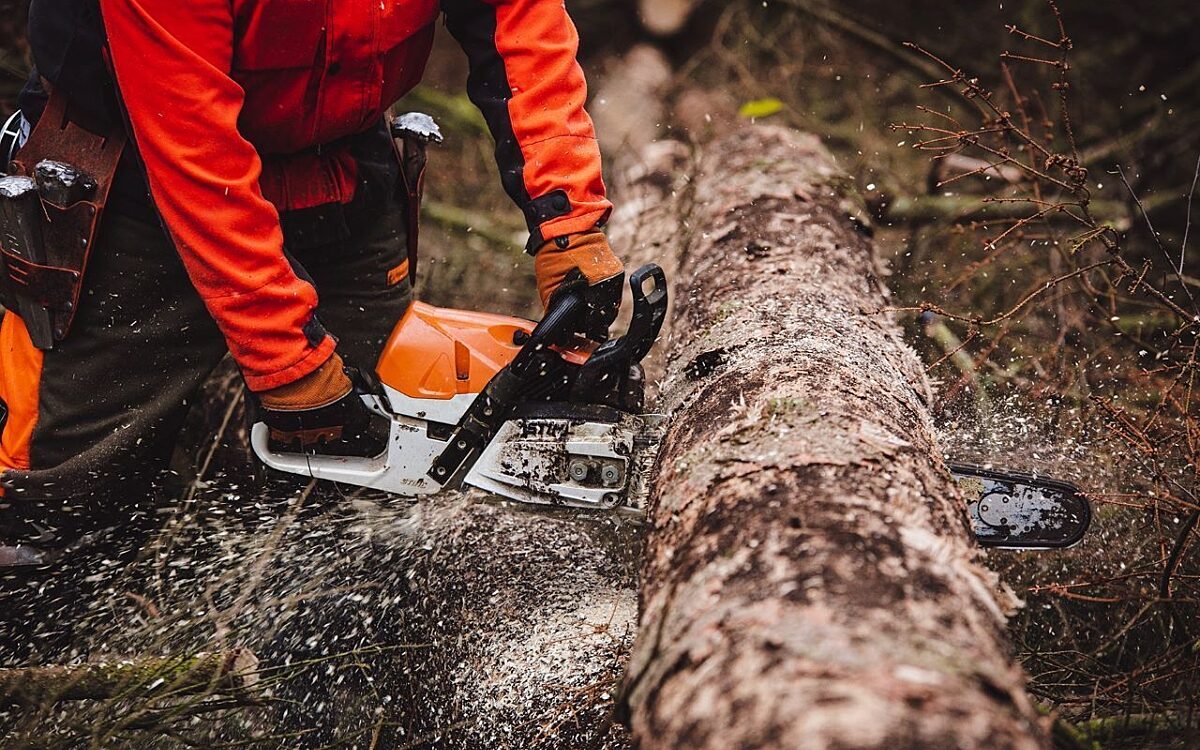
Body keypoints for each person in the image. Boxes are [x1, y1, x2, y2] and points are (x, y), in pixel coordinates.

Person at [0, 0, 624, 567]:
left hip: (340, 156)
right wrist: (286, 361)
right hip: (134, 169)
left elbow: (518, 19)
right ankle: (50, 669)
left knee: (386, 456)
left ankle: (328, 649)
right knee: (56, 497)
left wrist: (567, 219)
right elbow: (195, 156)